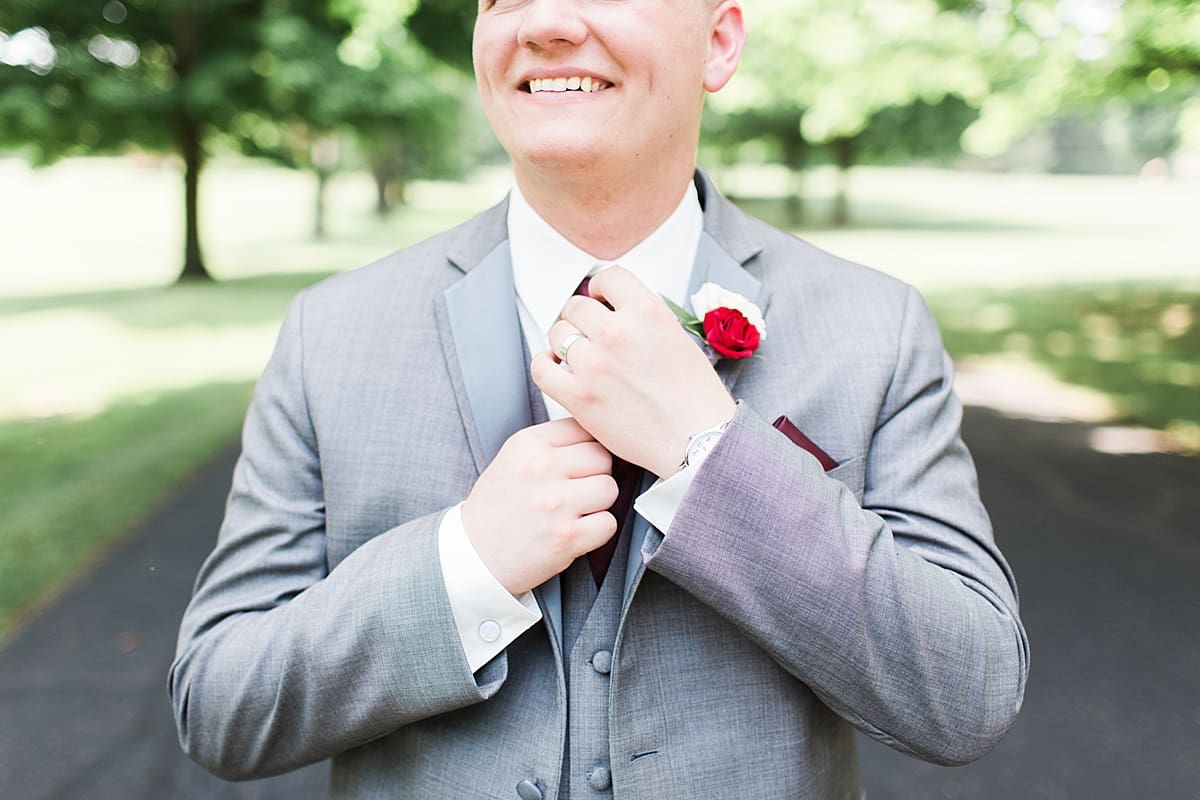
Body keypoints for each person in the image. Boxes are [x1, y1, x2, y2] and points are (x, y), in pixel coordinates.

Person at [170, 0, 1029, 797]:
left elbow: (968, 694)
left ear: (719, 41)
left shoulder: (875, 327)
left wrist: (709, 453)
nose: (543, 22)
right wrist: (465, 567)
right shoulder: (333, 331)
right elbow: (221, 703)